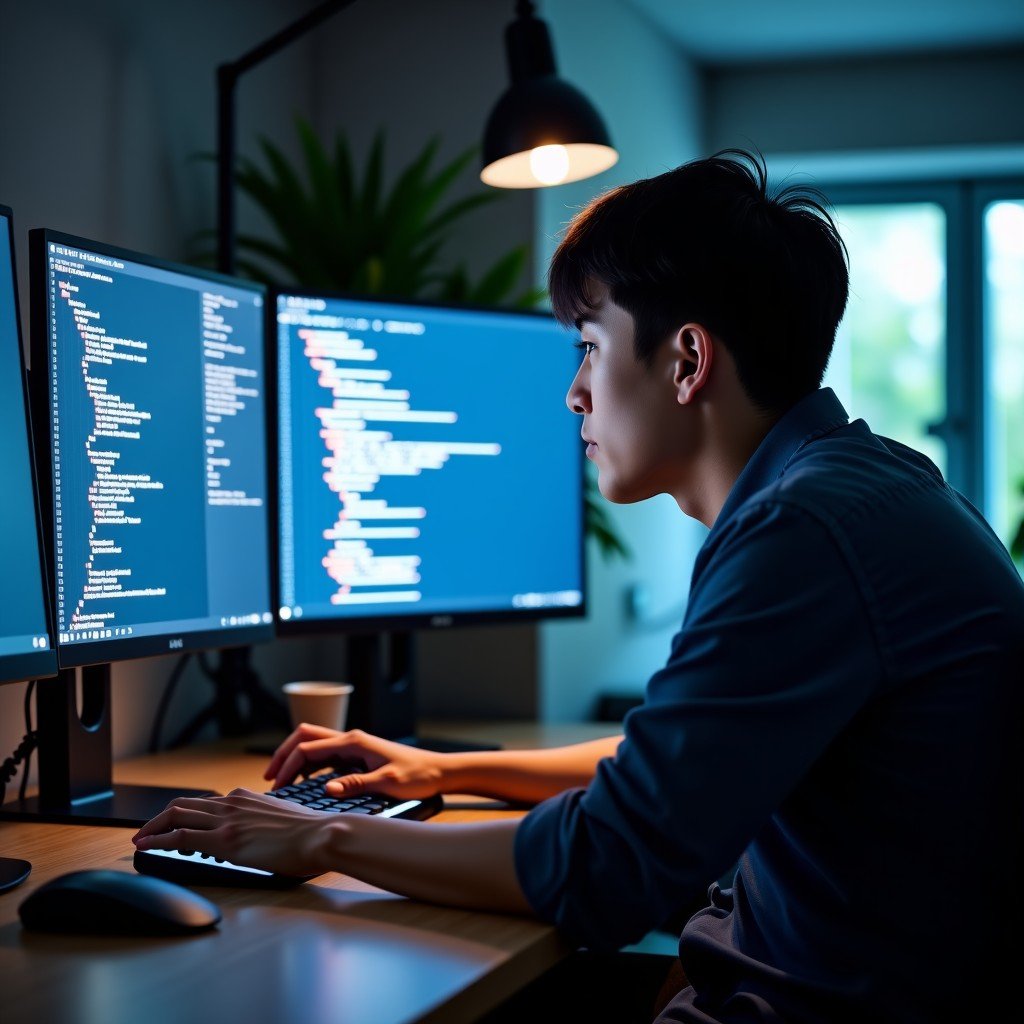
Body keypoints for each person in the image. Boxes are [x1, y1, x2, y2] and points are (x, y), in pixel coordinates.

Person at [134, 150, 1024, 1023]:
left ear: (686, 362)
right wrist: (443, 769)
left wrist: (325, 835)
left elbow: (613, 864)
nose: (574, 395)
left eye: (590, 349)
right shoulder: (870, 485)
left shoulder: (801, 532)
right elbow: (677, 772)